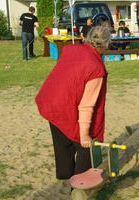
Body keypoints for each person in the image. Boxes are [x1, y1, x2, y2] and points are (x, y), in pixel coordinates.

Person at [35, 26, 110, 180]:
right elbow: (86, 106)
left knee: (63, 141)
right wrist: (84, 136)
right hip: (64, 105)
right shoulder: (96, 68)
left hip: (51, 101)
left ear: (87, 37)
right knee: (86, 149)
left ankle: (65, 177)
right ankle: (79, 186)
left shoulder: (70, 49)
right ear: (107, 44)